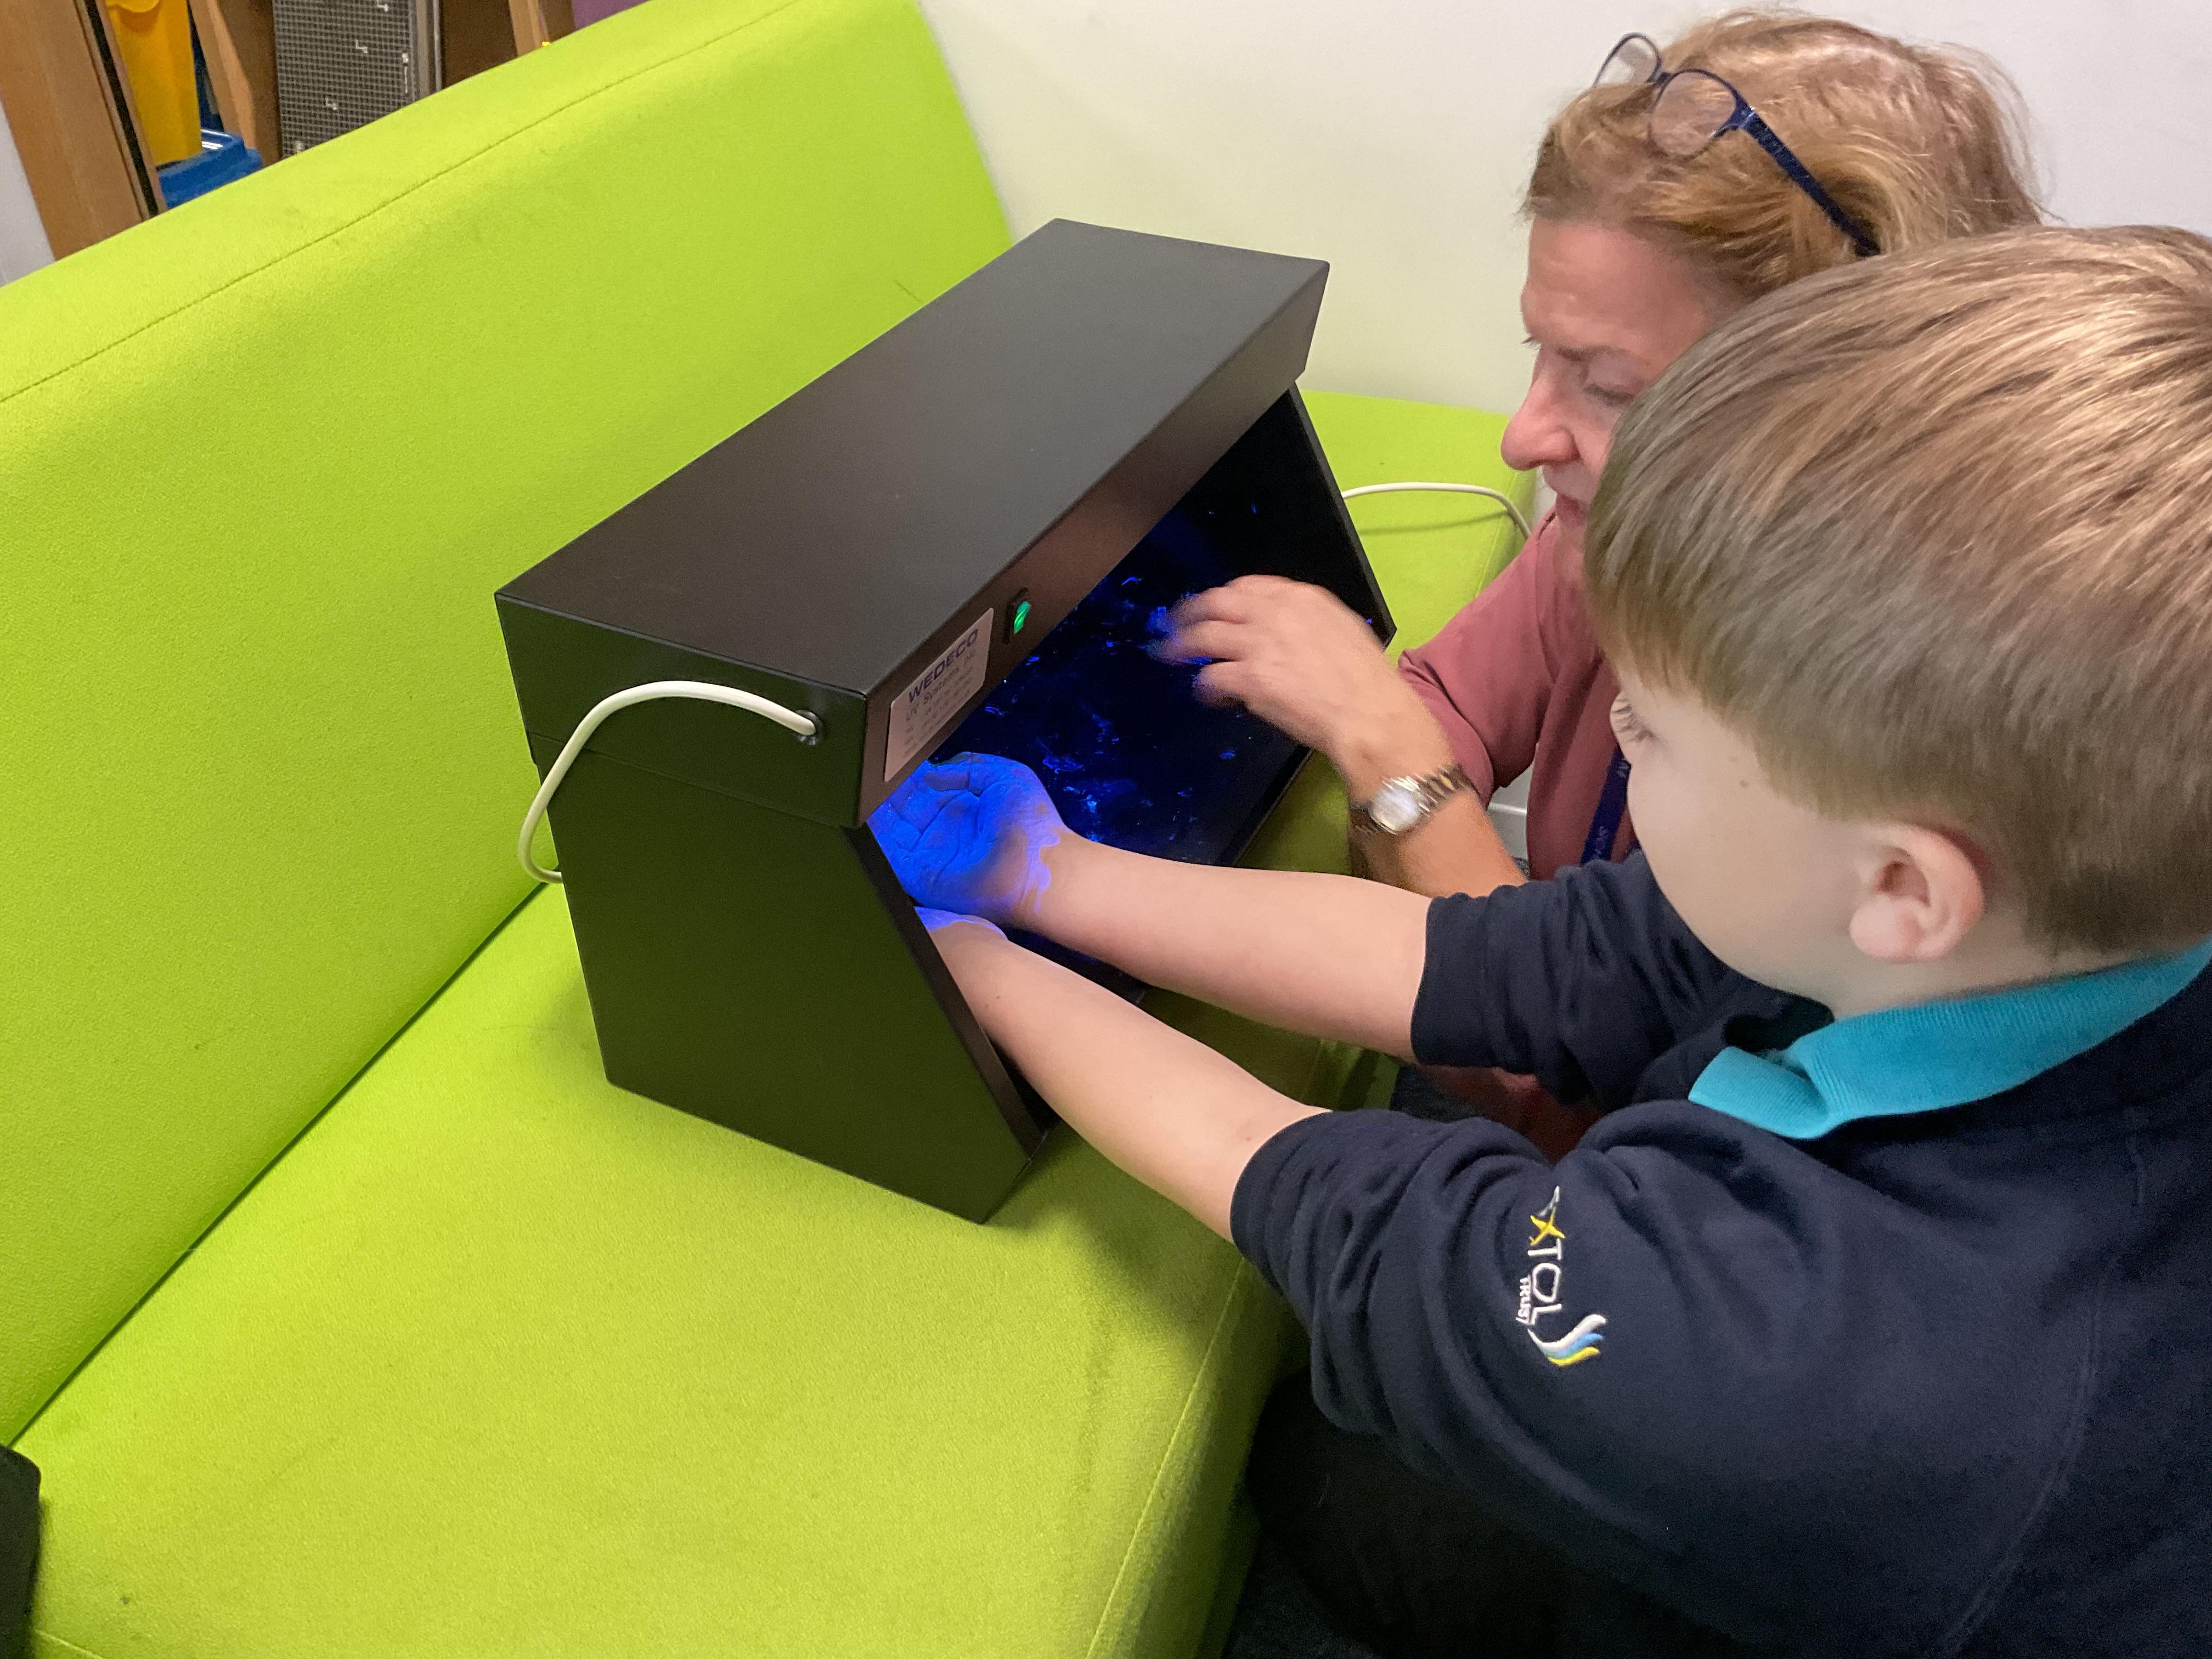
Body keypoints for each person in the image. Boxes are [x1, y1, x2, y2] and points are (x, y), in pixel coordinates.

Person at [869, 225, 2212, 1655]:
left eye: (1659, 729)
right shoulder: (1991, 916)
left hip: (1818, 1521)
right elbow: (1511, 959)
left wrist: (948, 955)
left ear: (1903, 885)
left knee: (1325, 1464)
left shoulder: (1801, 1359)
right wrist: (1040, 871)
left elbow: (1368, 1224)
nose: (1615, 724)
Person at [1160, 12, 2042, 899]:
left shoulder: (1876, 752)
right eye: (1541, 352)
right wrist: (1398, 761)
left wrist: (1385, 750)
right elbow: (1448, 707)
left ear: (1846, 414)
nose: (1523, 438)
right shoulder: (1615, 544)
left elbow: (1571, 996)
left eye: (1612, 388)